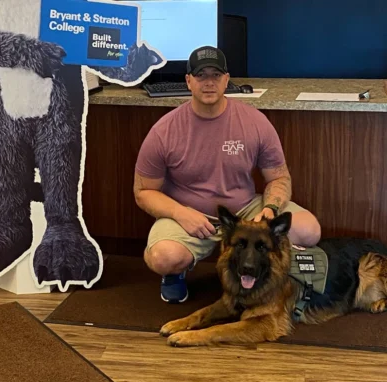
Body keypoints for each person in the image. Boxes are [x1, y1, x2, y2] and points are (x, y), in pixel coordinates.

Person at [133, 46, 322, 303]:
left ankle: (280, 275)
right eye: (201, 75)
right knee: (164, 257)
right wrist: (180, 213)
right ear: (188, 81)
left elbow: (279, 177)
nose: (209, 82)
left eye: (216, 75)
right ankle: (175, 275)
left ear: (226, 79)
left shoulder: (255, 122)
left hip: (244, 211)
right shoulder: (164, 131)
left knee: (309, 230)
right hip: (188, 214)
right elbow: (144, 192)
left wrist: (271, 209)